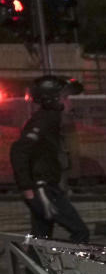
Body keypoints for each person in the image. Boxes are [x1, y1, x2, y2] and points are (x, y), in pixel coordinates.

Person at [11, 74, 90, 244]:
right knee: (80, 232)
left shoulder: (51, 118)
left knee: (41, 238)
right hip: (43, 189)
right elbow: (19, 151)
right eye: (66, 97)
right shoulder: (44, 120)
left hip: (46, 186)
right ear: (52, 99)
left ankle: (36, 270)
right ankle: (71, 270)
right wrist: (26, 187)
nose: (70, 102)